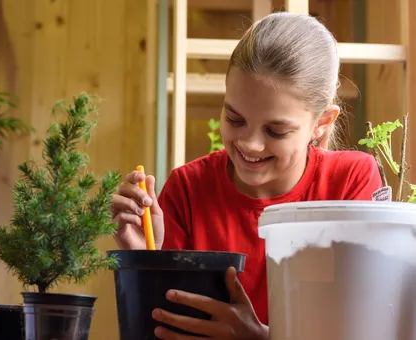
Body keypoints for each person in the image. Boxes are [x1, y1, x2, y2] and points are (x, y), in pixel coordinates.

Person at [111, 11, 382, 340]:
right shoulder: (188, 188)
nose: (250, 144)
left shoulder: (351, 180)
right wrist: (144, 261)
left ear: (322, 122)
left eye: (276, 130)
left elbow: (366, 325)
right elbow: (160, 327)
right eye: (235, 119)